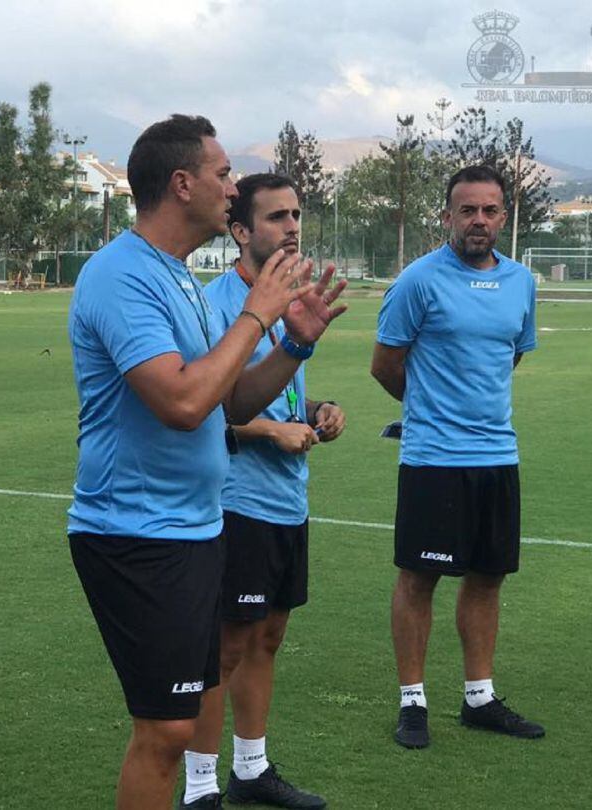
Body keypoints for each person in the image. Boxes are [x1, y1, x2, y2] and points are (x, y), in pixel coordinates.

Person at [67, 115, 346, 810]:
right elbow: (183, 404)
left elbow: (227, 403)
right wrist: (257, 315)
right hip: (134, 532)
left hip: (194, 528)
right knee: (165, 730)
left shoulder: (182, 278)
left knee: (181, 720)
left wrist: (293, 347)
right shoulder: (120, 275)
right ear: (182, 183)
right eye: (223, 174)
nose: (232, 187)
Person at [179, 174, 345, 809]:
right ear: (240, 231)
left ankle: (251, 767)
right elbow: (204, 405)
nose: (293, 226)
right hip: (236, 502)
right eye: (276, 217)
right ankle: (200, 788)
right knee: (223, 649)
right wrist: (269, 431)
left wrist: (319, 412)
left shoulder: (295, 300)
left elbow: (284, 389)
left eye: (297, 214)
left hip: (287, 501)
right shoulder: (217, 305)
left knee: (268, 638)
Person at [371, 164, 542, 750]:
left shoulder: (522, 283)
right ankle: (412, 702)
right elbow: (385, 364)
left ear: (503, 217)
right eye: (466, 210)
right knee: (419, 578)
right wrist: (430, 408)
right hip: (434, 458)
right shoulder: (418, 281)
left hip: (497, 455)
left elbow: (509, 357)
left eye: (489, 210)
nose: (478, 221)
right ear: (446, 216)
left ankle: (479, 698)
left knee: (487, 577)